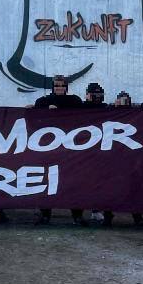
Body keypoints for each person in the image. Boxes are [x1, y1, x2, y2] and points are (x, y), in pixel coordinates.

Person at [33, 76, 81, 226]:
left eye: (62, 85)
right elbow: (34, 118)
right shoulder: (42, 101)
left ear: (66, 87)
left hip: (70, 148)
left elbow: (87, 114)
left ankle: (77, 216)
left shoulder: (75, 101)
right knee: (47, 181)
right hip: (49, 148)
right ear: (53, 87)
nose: (60, 88)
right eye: (57, 85)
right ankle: (45, 215)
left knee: (74, 182)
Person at [74, 82, 114, 227]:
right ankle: (78, 214)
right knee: (80, 183)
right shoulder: (80, 108)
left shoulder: (107, 109)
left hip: (101, 153)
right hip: (82, 152)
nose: (97, 97)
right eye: (94, 94)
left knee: (103, 183)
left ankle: (103, 212)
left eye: (99, 94)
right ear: (88, 95)